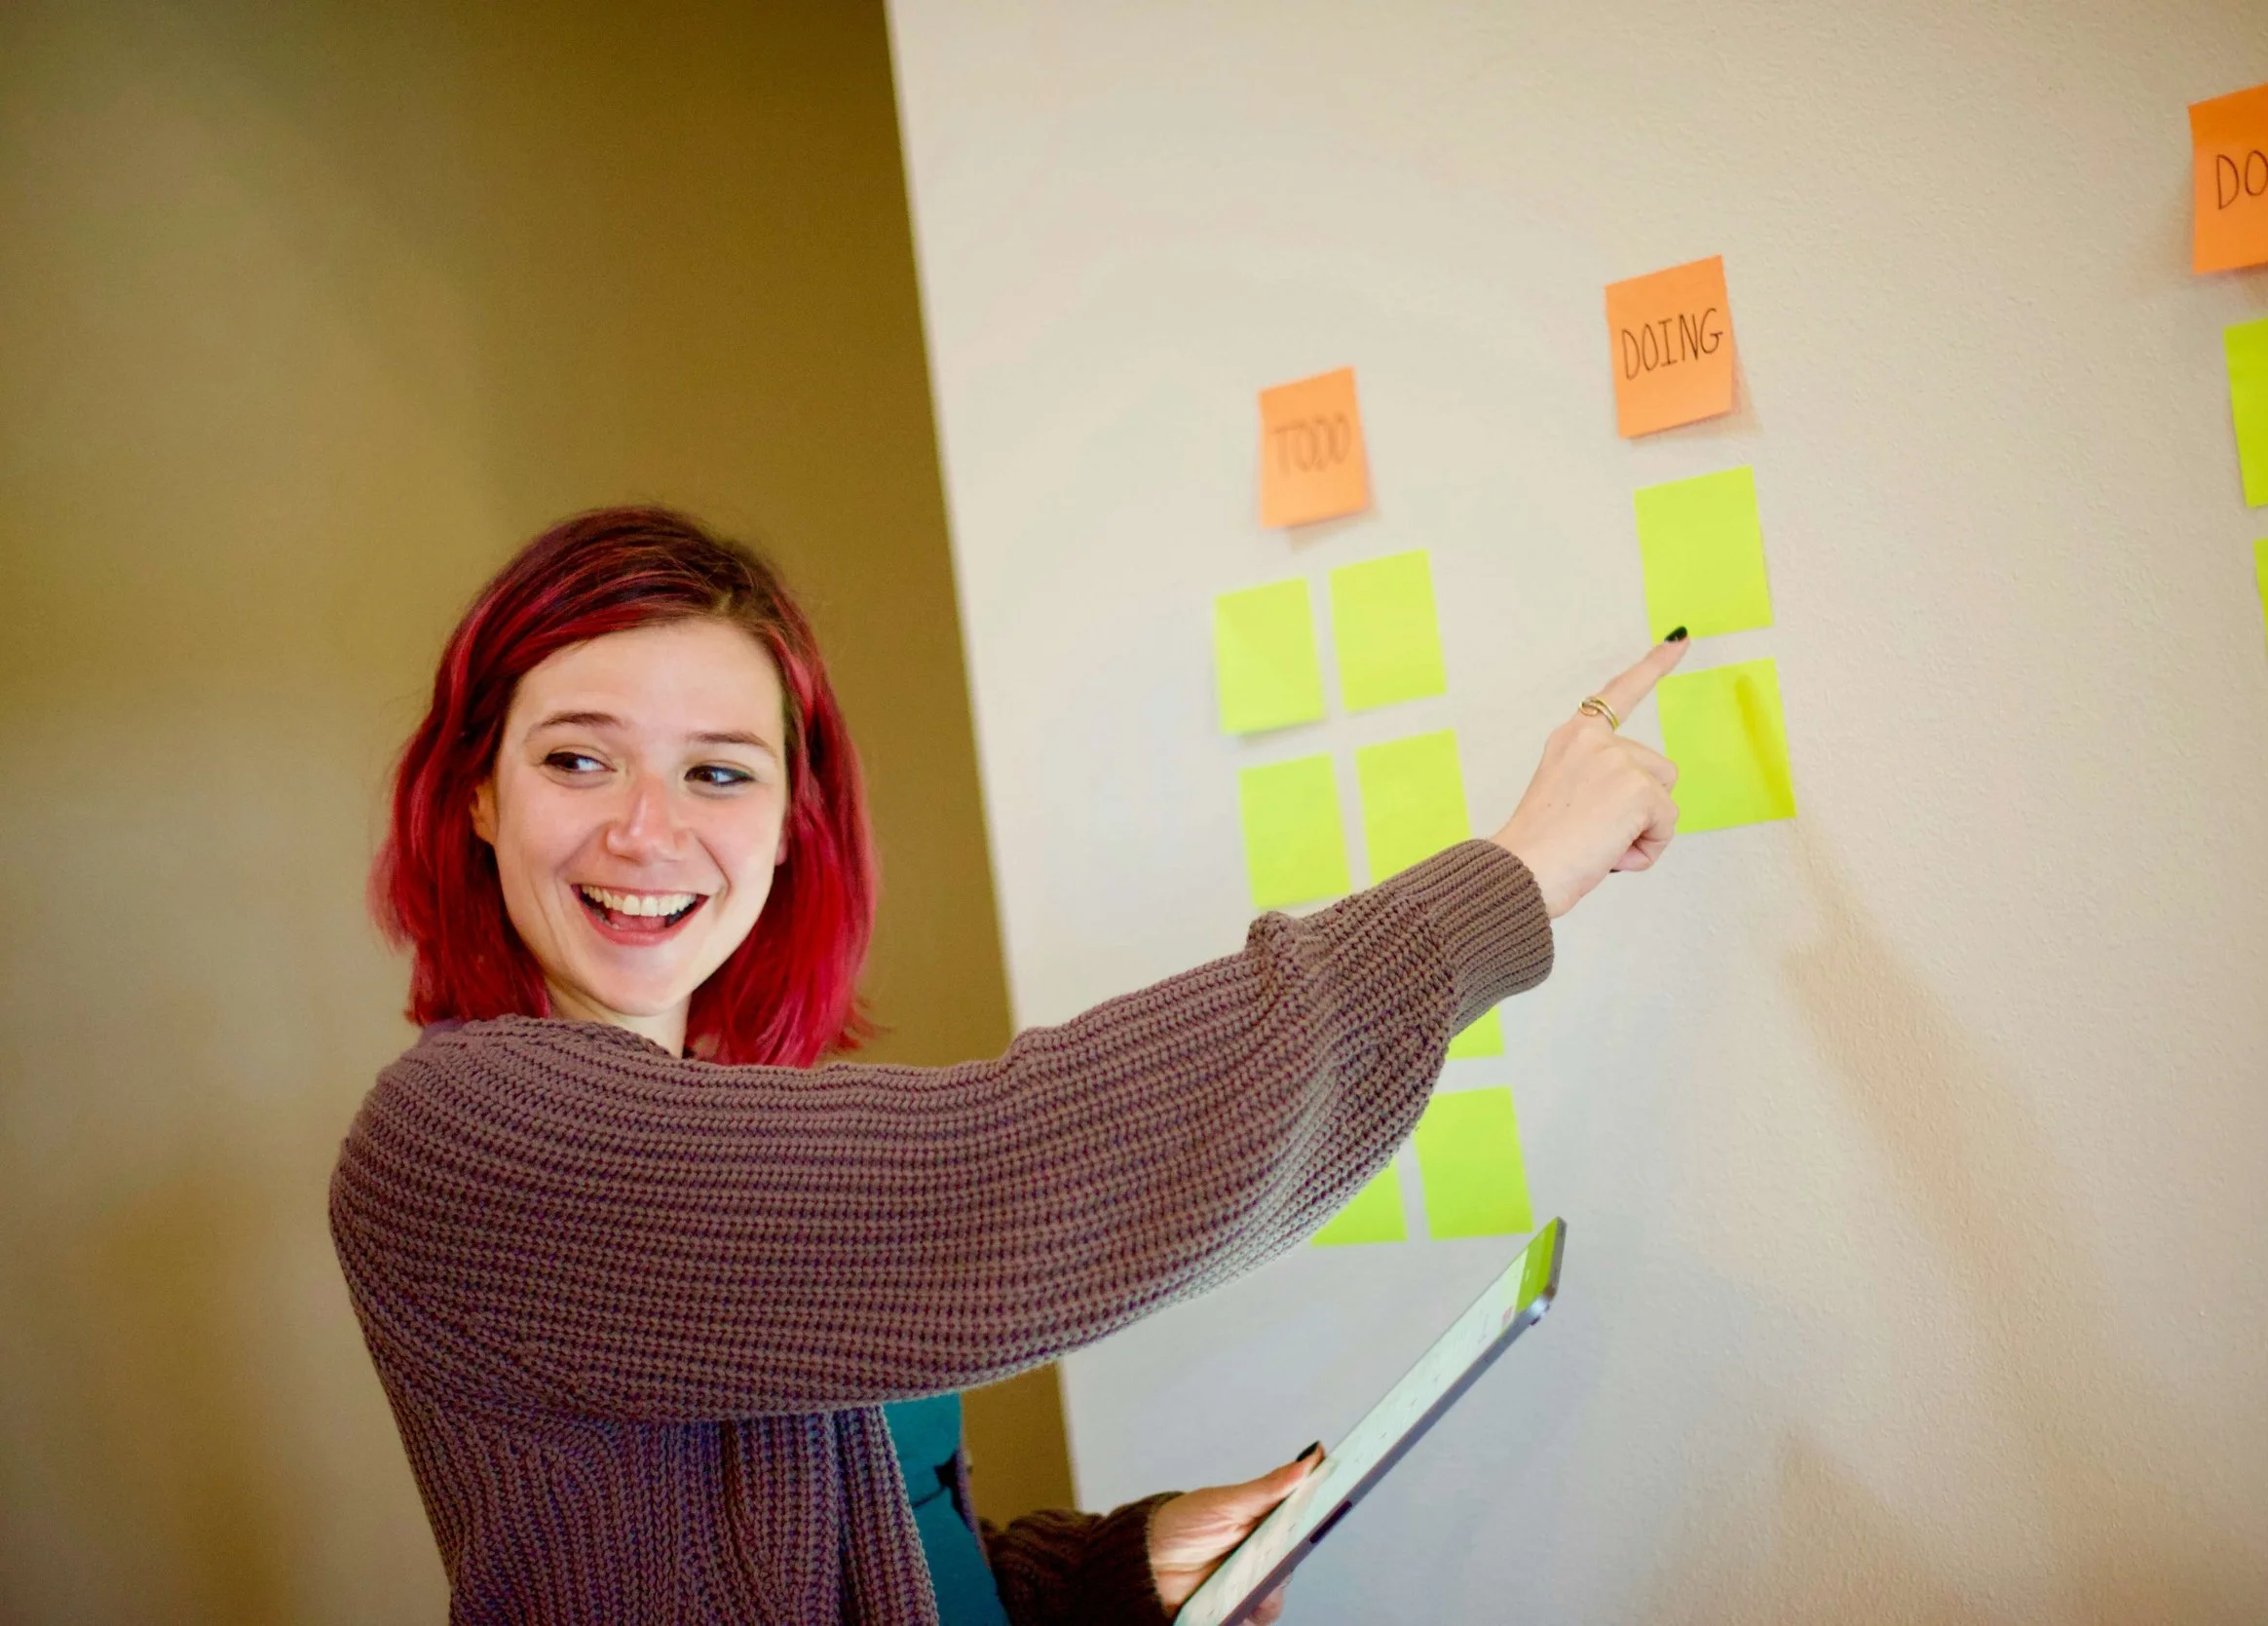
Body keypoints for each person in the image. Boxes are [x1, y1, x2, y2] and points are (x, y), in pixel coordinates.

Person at [331, 507, 1685, 1626]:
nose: (647, 830)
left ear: (794, 825)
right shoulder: (465, 1135)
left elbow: (875, 1550)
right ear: (479, 794)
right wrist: (1510, 881)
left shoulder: (739, 1114)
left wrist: (1106, 1576)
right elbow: (1002, 1174)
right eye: (580, 759)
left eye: (719, 774)